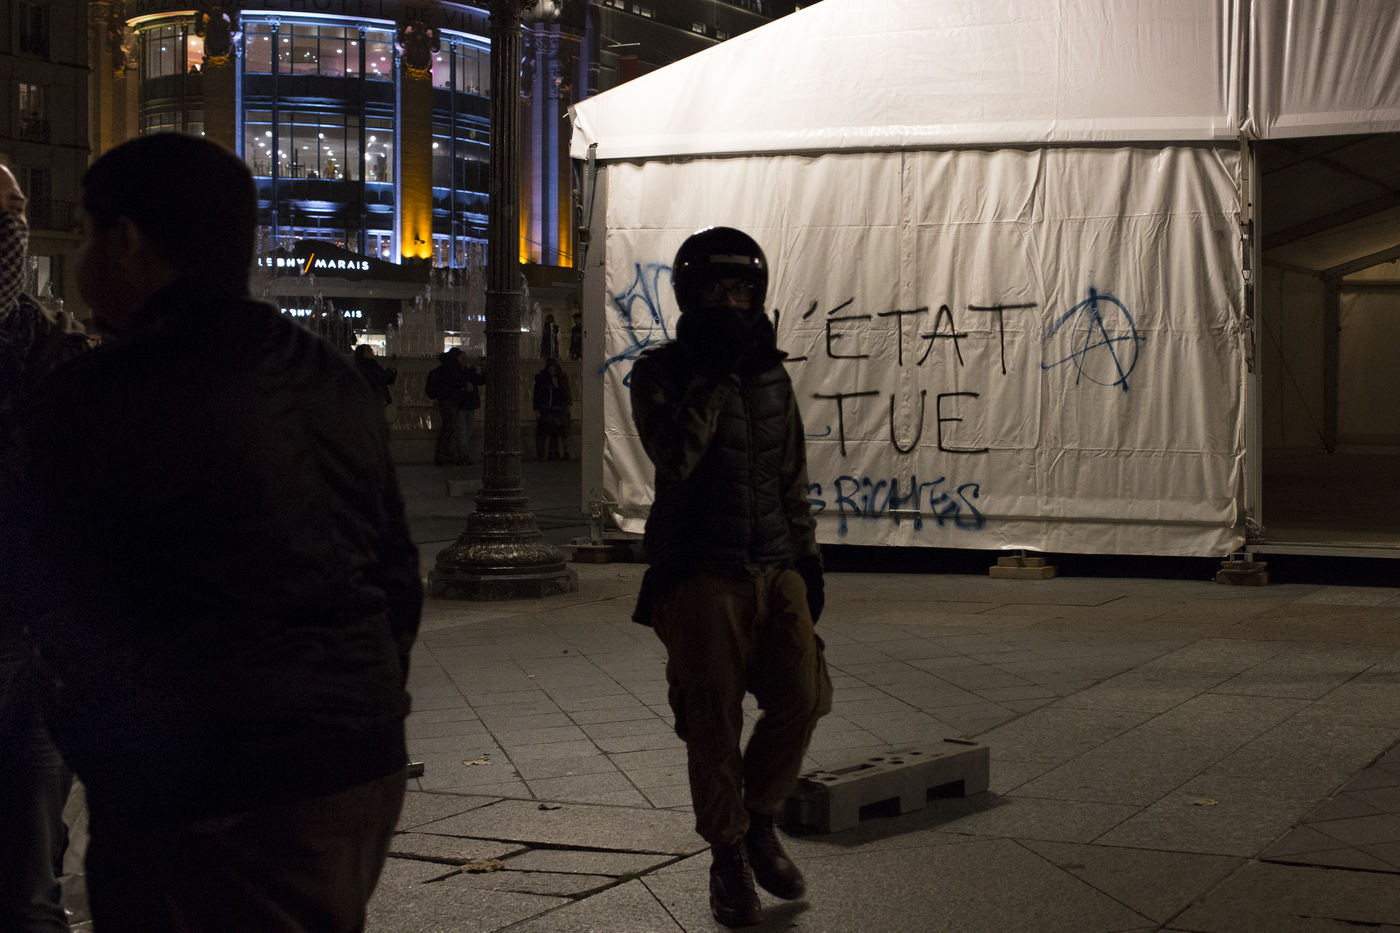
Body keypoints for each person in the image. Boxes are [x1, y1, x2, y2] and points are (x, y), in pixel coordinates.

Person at [13, 134, 422, 933]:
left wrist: (105, 742)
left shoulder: (105, 393)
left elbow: (51, 588)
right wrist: (360, 695)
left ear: (127, 240)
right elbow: (395, 572)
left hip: (210, 779)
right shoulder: (330, 375)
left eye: (87, 234)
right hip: (356, 755)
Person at [629, 226, 831, 928]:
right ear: (692, 294)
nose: (732, 301)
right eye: (717, 289)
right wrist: (712, 377)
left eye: (743, 289)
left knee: (803, 696)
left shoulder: (771, 374)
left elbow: (791, 476)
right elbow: (675, 457)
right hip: (700, 571)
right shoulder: (660, 371)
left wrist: (807, 561)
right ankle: (728, 855)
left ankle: (759, 820)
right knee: (712, 720)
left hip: (775, 564)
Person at [0, 159, 86, 933]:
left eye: (16, 212)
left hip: (32, 652)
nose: (13, 225)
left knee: (31, 879)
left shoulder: (50, 345)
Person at [424, 346, 484, 465]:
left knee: (449, 429)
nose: (465, 360)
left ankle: (445, 456)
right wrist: (472, 371)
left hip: (449, 401)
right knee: (450, 429)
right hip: (451, 401)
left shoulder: (444, 369)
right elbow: (458, 380)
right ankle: (446, 456)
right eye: (462, 358)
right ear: (456, 358)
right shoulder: (452, 369)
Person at [532, 357, 571, 461]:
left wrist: (557, 386)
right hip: (547, 407)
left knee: (561, 430)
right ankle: (549, 452)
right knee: (547, 430)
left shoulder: (561, 378)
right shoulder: (542, 378)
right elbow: (537, 393)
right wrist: (536, 408)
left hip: (558, 407)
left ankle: (560, 452)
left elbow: (565, 393)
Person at [353, 343, 397, 407]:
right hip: (374, 400)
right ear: (362, 354)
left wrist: (391, 369)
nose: (371, 351)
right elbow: (381, 380)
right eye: (369, 350)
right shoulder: (368, 367)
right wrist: (391, 369)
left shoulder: (370, 365)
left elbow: (385, 379)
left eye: (371, 349)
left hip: (374, 400)